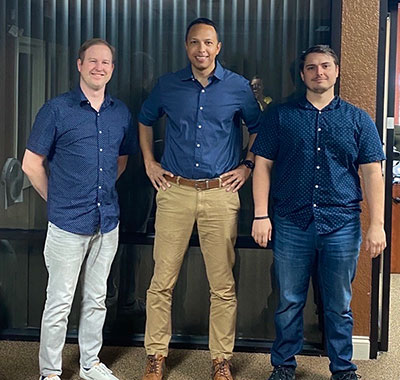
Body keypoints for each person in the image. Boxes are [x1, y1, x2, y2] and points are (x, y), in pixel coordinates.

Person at [251, 45, 386, 380]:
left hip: (342, 225)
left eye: (325, 66)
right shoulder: (281, 116)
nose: (319, 73)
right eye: (311, 68)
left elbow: (372, 173)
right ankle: (284, 365)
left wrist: (377, 225)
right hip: (291, 222)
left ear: (336, 71)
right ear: (302, 74)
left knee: (338, 305)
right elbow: (262, 166)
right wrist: (260, 214)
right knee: (289, 301)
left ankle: (343, 369)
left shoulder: (358, 119)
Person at [138, 17, 261, 380]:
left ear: (218, 47)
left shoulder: (238, 88)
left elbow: (259, 129)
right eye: (195, 42)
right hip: (173, 192)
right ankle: (155, 354)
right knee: (162, 280)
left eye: (208, 43)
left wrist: (247, 166)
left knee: (222, 284)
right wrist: (149, 162)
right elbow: (145, 120)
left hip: (220, 195)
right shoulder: (168, 86)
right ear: (186, 46)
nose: (201, 49)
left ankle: (220, 358)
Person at [22, 38, 137, 380]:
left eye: (106, 63)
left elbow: (122, 159)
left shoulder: (120, 112)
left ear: (112, 70)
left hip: (107, 222)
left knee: (97, 298)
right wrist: (58, 199)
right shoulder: (56, 110)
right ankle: (50, 372)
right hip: (68, 225)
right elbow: (31, 164)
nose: (99, 67)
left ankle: (89, 364)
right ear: (79, 64)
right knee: (59, 302)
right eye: (92, 61)